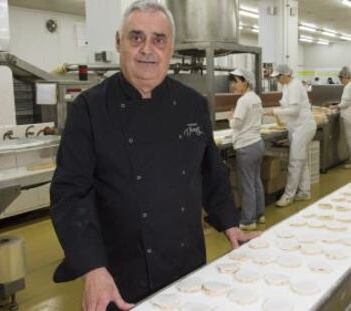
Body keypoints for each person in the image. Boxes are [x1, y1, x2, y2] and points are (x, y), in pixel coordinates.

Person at [50, 1, 259, 310]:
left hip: (187, 263)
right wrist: (92, 268)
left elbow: (210, 173)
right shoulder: (89, 109)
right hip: (120, 273)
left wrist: (231, 226)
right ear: (118, 42)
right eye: (136, 37)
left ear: (170, 47)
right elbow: (70, 194)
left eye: (158, 39)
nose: (147, 49)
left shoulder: (192, 105)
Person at [267, 64, 317, 207]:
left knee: (295, 162)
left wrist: (275, 112)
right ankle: (305, 192)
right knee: (302, 160)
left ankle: (289, 195)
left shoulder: (295, 85)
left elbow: (294, 110)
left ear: (286, 74)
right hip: (296, 127)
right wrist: (280, 118)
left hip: (303, 127)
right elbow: (287, 107)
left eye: (279, 76)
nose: (277, 79)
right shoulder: (287, 86)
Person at [228, 69, 265, 230]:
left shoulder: (243, 101)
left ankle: (248, 220)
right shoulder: (256, 98)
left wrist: (231, 118)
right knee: (256, 181)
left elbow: (237, 124)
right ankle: (259, 213)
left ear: (246, 82)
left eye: (236, 81)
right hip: (257, 143)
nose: (233, 85)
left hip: (246, 146)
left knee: (247, 184)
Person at [337, 66, 351, 168]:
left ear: (346, 77)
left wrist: (336, 106)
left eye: (341, 78)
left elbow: (345, 103)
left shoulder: (348, 87)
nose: (341, 81)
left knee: (350, 138)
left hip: (348, 116)